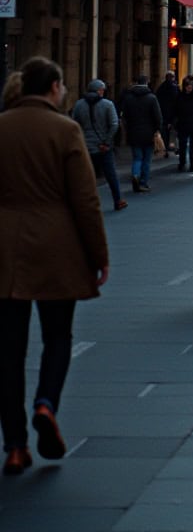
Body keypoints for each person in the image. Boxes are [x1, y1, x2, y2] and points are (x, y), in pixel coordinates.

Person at [0, 57, 109, 477]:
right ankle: (46, 403)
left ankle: (13, 444)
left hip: (4, 251)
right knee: (57, 337)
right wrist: (98, 255)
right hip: (56, 247)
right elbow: (85, 200)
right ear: (54, 88)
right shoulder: (66, 130)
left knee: (7, 352)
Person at [71, 79, 126, 211]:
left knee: (85, 176)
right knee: (110, 174)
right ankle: (117, 200)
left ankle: (82, 203)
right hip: (103, 146)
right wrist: (107, 142)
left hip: (86, 146)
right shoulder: (107, 104)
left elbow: (74, 125)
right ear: (99, 91)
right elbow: (114, 124)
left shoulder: (79, 105)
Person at [120, 75, 162, 193]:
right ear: (147, 83)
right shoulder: (151, 98)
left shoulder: (128, 98)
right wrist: (158, 129)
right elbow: (158, 117)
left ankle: (135, 174)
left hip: (134, 132)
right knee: (147, 159)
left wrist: (127, 128)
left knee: (137, 158)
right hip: (149, 132)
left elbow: (124, 116)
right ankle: (143, 182)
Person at [155, 70, 179, 157]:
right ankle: (173, 147)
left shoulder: (161, 87)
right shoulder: (174, 87)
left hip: (163, 112)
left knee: (164, 131)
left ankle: (164, 148)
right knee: (173, 131)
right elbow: (176, 100)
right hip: (172, 112)